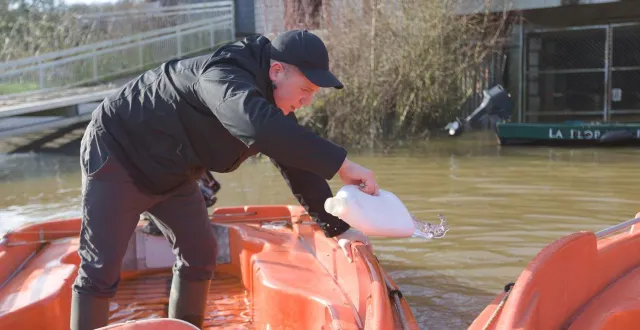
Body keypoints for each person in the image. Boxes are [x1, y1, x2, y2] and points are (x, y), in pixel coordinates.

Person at [73, 29, 379, 330]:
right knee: (100, 268)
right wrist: (341, 164)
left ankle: (184, 327)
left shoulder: (272, 106)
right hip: (118, 154)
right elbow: (257, 127)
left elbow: (297, 166)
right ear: (276, 71)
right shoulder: (223, 77)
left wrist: (336, 228)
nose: (307, 101)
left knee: (200, 254)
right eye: (306, 90)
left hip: (174, 172)